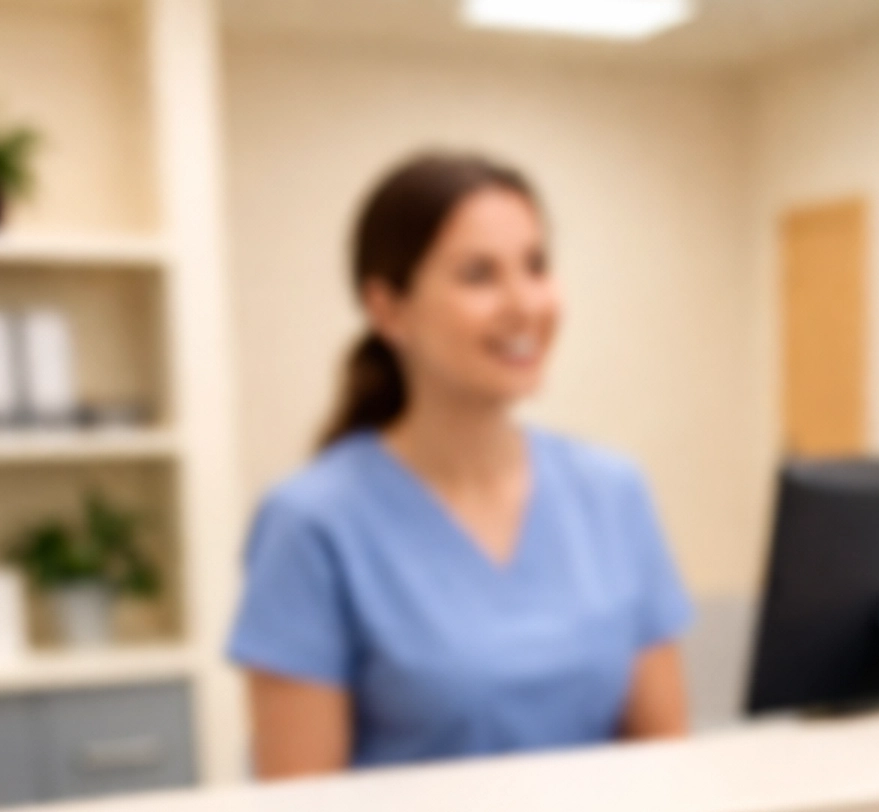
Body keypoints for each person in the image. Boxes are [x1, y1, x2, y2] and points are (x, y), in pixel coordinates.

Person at [229, 152, 692, 775]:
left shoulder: (612, 493)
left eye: (536, 266)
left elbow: (666, 768)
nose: (524, 303)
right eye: (479, 275)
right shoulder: (312, 524)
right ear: (388, 308)